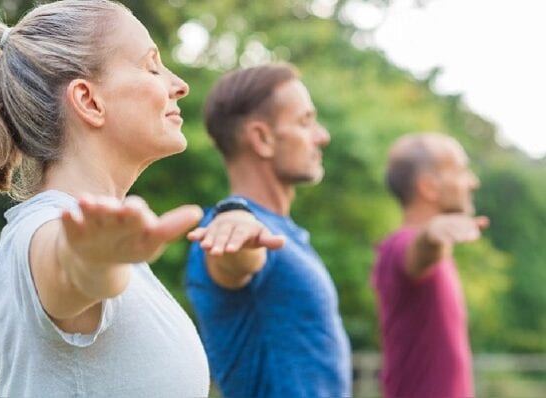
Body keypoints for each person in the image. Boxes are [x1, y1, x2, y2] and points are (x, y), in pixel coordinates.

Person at [0, 1, 211, 396]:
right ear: (88, 100)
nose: (179, 84)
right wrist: (93, 259)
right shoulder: (43, 232)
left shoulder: (106, 245)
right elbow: (68, 268)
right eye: (152, 66)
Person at [185, 63, 352, 398]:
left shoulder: (286, 233)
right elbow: (237, 257)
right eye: (305, 122)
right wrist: (237, 224)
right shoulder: (226, 231)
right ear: (262, 138)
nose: (322, 136)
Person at [371, 132, 489, 398]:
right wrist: (430, 233)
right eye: (460, 171)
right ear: (429, 187)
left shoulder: (440, 257)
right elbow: (418, 252)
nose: (473, 181)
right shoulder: (398, 246)